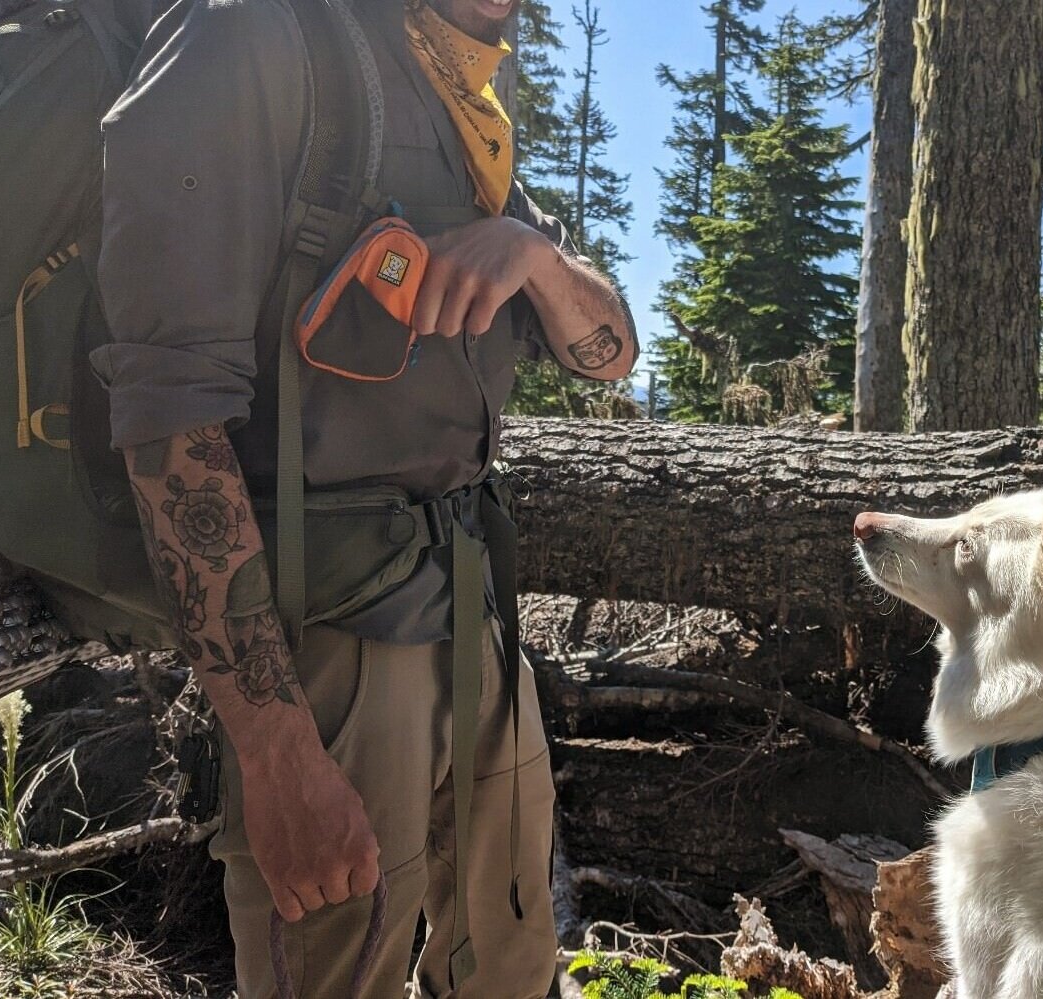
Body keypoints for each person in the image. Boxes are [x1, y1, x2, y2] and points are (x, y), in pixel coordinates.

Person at [90, 0, 638, 994]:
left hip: (473, 602)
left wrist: (536, 256)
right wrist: (278, 753)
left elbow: (610, 352)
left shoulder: (456, 81)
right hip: (326, 642)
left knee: (508, 966)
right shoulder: (251, 36)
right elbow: (168, 420)